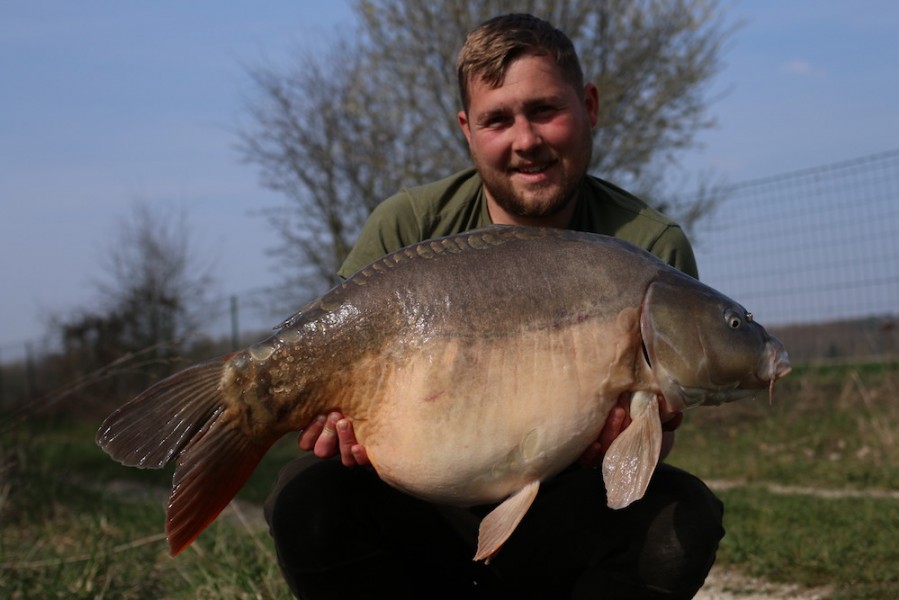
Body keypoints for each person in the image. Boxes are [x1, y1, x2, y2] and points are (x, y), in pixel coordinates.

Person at [264, 13, 723, 599]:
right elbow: (336, 374)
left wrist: (630, 435)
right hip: (419, 506)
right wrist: (335, 418)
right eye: (498, 119)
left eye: (545, 110)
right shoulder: (408, 225)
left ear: (589, 106)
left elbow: (653, 436)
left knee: (681, 517)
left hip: (564, 504)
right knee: (308, 494)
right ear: (467, 128)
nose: (525, 139)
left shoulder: (650, 249)